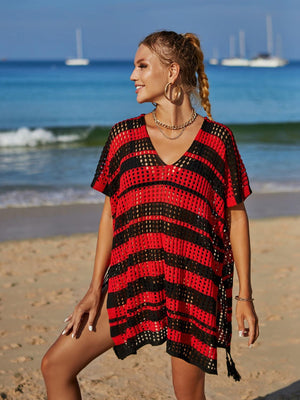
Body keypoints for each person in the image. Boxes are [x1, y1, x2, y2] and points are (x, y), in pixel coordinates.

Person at [41, 30, 259, 400]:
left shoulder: (218, 140)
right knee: (55, 366)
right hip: (132, 279)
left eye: (142, 66)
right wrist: (95, 289)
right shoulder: (124, 137)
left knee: (187, 395)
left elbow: (235, 215)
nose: (133, 76)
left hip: (193, 285)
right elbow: (112, 212)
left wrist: (245, 297)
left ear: (171, 72)